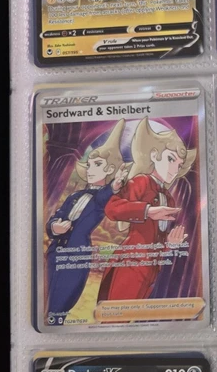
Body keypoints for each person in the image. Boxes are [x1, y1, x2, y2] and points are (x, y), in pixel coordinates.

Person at [97, 117, 196, 303]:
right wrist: (148, 211)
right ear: (154, 155)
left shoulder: (169, 198)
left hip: (152, 268)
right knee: (119, 311)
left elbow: (156, 239)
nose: (174, 169)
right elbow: (112, 208)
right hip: (132, 263)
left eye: (179, 165)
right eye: (170, 159)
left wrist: (170, 244)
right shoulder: (142, 181)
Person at [45, 119, 127, 320]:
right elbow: (57, 216)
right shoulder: (74, 196)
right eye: (89, 164)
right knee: (44, 298)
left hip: (77, 255)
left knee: (60, 303)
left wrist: (114, 186)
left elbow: (103, 197)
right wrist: (55, 228)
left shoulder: (102, 198)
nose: (90, 169)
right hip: (55, 253)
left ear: (109, 170)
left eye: (97, 164)